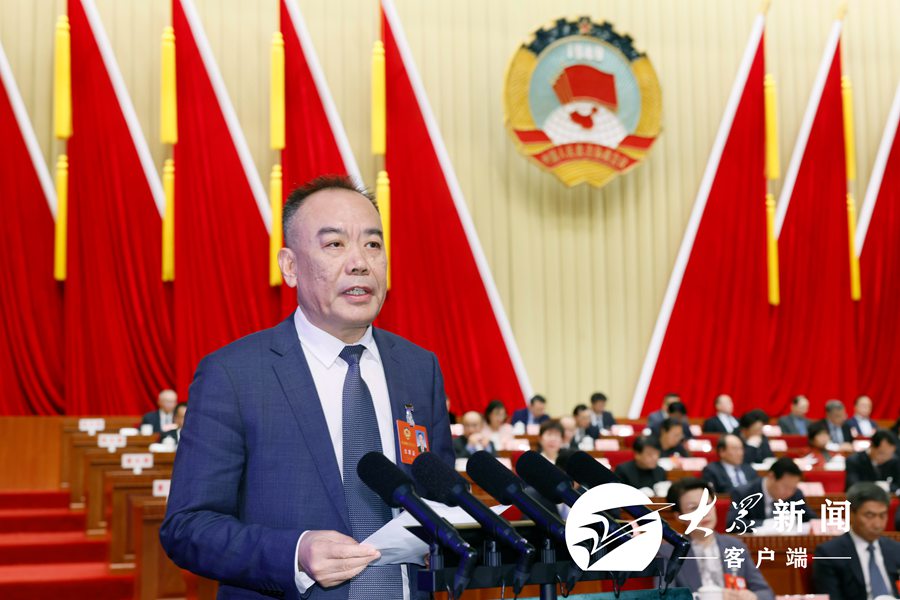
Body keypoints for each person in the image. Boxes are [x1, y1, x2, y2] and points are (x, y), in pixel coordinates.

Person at [160, 176, 454, 600]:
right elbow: (188, 527)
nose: (360, 262)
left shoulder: (419, 368)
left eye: (373, 244)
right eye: (335, 244)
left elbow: (439, 499)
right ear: (290, 266)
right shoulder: (233, 375)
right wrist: (294, 553)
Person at [657, 477, 774, 600]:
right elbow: (663, 597)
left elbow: (765, 592)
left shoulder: (735, 546)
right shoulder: (668, 553)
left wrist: (752, 596)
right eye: (694, 508)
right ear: (679, 516)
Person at [812, 482, 900, 600]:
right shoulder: (829, 554)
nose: (877, 524)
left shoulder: (896, 549)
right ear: (851, 514)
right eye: (869, 515)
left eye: (882, 515)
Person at [726, 458, 818, 533]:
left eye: (793, 488)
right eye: (785, 487)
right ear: (772, 477)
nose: (789, 492)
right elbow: (733, 523)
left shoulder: (796, 494)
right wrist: (767, 524)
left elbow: (813, 519)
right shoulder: (744, 493)